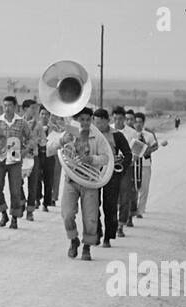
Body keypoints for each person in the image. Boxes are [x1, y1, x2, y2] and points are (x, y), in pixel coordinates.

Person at [46, 106, 102, 260]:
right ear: (76, 120)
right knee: (67, 214)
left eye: (87, 120)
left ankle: (87, 248)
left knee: (91, 218)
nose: (84, 123)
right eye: (81, 119)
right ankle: (73, 240)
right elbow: (48, 149)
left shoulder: (97, 136)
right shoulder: (68, 133)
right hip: (71, 180)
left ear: (91, 120)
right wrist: (61, 141)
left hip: (90, 181)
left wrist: (92, 159)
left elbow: (106, 157)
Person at [94, 109, 131, 247]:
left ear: (107, 120)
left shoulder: (117, 135)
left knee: (109, 206)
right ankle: (97, 233)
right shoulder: (91, 134)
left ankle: (108, 237)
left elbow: (128, 155)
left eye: (100, 122)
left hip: (112, 174)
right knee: (93, 204)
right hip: (94, 173)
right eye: (95, 122)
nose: (97, 125)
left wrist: (120, 170)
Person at [0, 95, 30, 230]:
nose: (7, 108)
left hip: (14, 159)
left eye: (9, 106)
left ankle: (14, 217)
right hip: (0, 158)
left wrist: (25, 151)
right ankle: (3, 213)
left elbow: (31, 138)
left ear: (15, 107)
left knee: (15, 190)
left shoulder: (21, 122)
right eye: (5, 106)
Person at [25, 99, 55, 216]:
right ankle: (36, 199)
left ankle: (46, 203)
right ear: (39, 114)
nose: (44, 116)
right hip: (38, 154)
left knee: (49, 179)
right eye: (42, 114)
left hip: (49, 155)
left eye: (47, 114)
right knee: (36, 177)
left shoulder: (53, 127)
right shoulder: (34, 125)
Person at [131, 112, 160, 217]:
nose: (138, 124)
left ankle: (140, 210)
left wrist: (148, 150)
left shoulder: (148, 135)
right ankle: (132, 209)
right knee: (133, 188)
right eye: (136, 122)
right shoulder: (130, 134)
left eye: (140, 122)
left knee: (144, 188)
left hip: (145, 164)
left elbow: (155, 146)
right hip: (133, 165)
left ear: (143, 123)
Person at [112, 106, 137, 229]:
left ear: (124, 119)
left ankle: (121, 224)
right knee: (112, 196)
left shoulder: (132, 133)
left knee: (125, 196)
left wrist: (131, 157)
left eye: (120, 119)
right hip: (111, 167)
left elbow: (136, 152)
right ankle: (113, 221)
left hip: (126, 167)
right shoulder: (108, 130)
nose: (117, 121)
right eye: (115, 118)